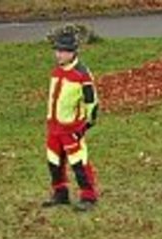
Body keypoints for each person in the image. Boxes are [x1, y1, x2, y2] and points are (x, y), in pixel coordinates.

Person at [42, 32, 99, 212]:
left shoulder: (82, 75)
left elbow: (92, 102)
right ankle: (60, 193)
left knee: (78, 163)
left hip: (72, 129)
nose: (58, 54)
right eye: (57, 50)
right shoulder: (56, 71)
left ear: (73, 52)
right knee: (54, 161)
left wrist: (86, 125)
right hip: (54, 127)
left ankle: (88, 196)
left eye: (63, 51)